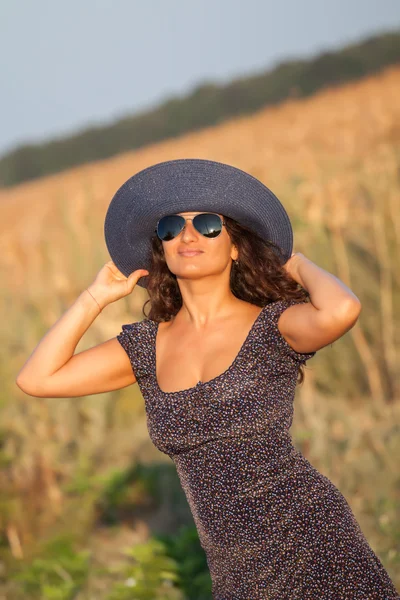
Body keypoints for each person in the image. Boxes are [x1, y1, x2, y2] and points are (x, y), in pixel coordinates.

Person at [16, 159, 400, 599]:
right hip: (233, 566)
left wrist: (293, 264)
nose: (188, 235)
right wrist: (94, 298)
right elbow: (38, 378)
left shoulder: (272, 327)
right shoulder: (145, 348)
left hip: (310, 537)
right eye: (170, 228)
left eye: (206, 224)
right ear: (161, 249)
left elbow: (341, 310)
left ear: (236, 247)